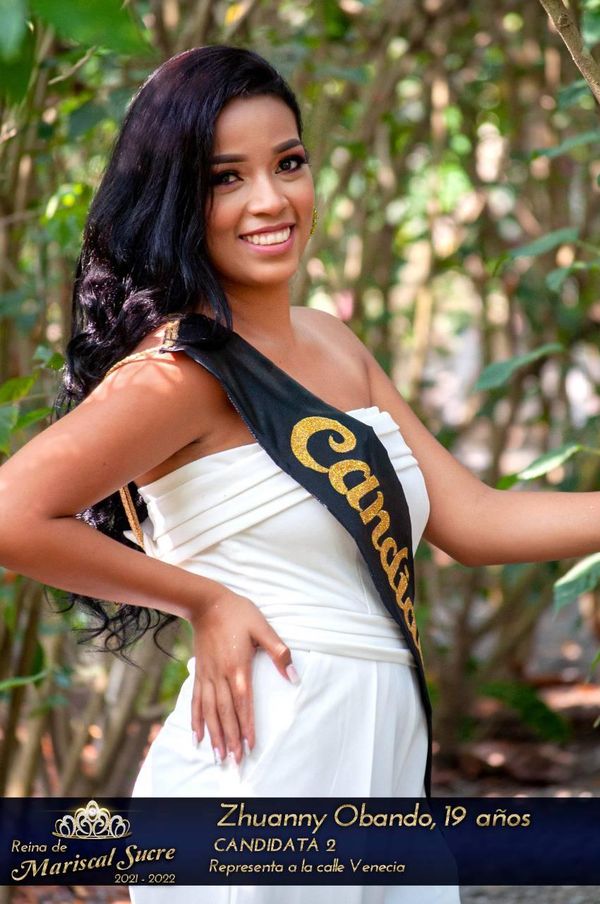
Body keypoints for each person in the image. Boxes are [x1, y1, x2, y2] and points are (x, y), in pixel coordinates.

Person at [0, 43, 598, 904]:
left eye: (288, 163)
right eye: (226, 178)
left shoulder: (332, 342)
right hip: (266, 764)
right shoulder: (180, 373)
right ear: (176, 199)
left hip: (382, 767)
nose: (271, 200)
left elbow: (474, 521)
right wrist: (204, 601)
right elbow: (14, 516)